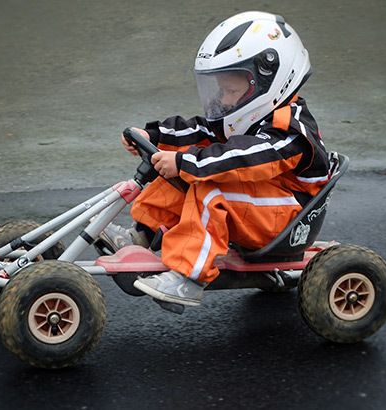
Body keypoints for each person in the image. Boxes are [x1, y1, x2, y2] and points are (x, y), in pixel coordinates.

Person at [98, 11, 331, 307]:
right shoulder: (251, 112)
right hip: (260, 204)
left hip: (288, 214)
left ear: (270, 80)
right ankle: (141, 234)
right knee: (179, 171)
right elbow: (202, 131)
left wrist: (185, 163)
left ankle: (188, 277)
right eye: (221, 89)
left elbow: (242, 159)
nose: (224, 99)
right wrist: (155, 135)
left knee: (209, 188)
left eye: (230, 90)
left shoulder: (291, 130)